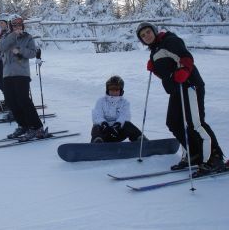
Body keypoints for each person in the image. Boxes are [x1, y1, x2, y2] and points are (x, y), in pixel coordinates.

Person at [136, 22, 225, 176]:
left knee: (196, 123)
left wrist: (184, 70)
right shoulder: (155, 51)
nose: (146, 36)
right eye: (143, 36)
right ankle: (195, 153)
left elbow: (186, 58)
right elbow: (166, 74)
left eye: (148, 32)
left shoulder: (169, 40)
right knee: (173, 122)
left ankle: (214, 158)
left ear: (154, 31)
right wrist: (154, 68)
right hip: (176, 90)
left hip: (190, 85)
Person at [0, 14, 46, 141]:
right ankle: (23, 125)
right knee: (11, 101)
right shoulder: (6, 36)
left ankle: (36, 126)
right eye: (14, 24)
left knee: (23, 100)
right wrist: (13, 35)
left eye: (19, 24)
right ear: (10, 26)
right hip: (7, 73)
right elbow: (1, 47)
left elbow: (32, 53)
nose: (17, 27)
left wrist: (20, 50)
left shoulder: (27, 37)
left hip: (21, 73)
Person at [91, 76, 144, 143]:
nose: (114, 91)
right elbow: (97, 115)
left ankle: (141, 141)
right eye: (111, 89)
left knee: (128, 125)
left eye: (116, 89)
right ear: (108, 90)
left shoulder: (124, 102)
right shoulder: (101, 101)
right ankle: (97, 144)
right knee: (96, 127)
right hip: (104, 133)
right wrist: (103, 124)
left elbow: (125, 116)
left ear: (121, 90)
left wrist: (117, 125)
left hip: (117, 132)